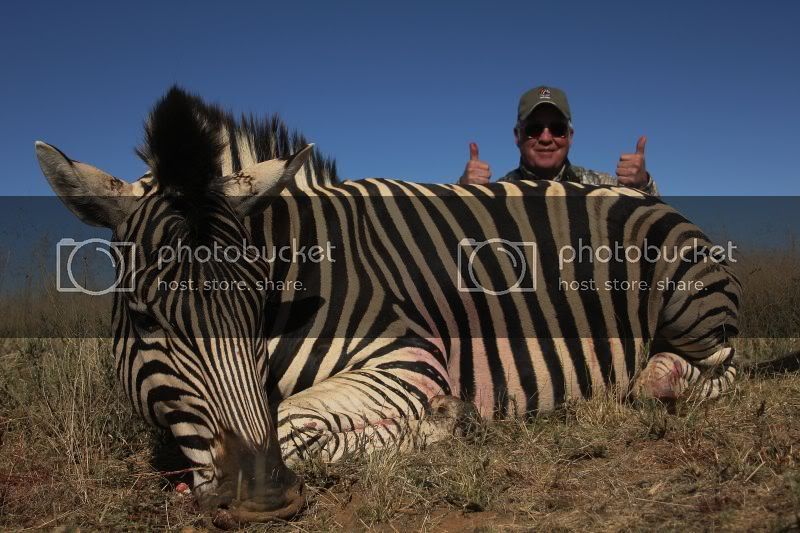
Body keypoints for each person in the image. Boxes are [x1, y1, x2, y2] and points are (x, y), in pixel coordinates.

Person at [459, 86, 659, 196]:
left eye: (557, 129)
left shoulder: (603, 187)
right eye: (534, 129)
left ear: (570, 137)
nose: (546, 138)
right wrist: (461, 192)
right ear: (517, 136)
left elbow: (653, 223)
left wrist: (643, 185)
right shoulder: (496, 193)